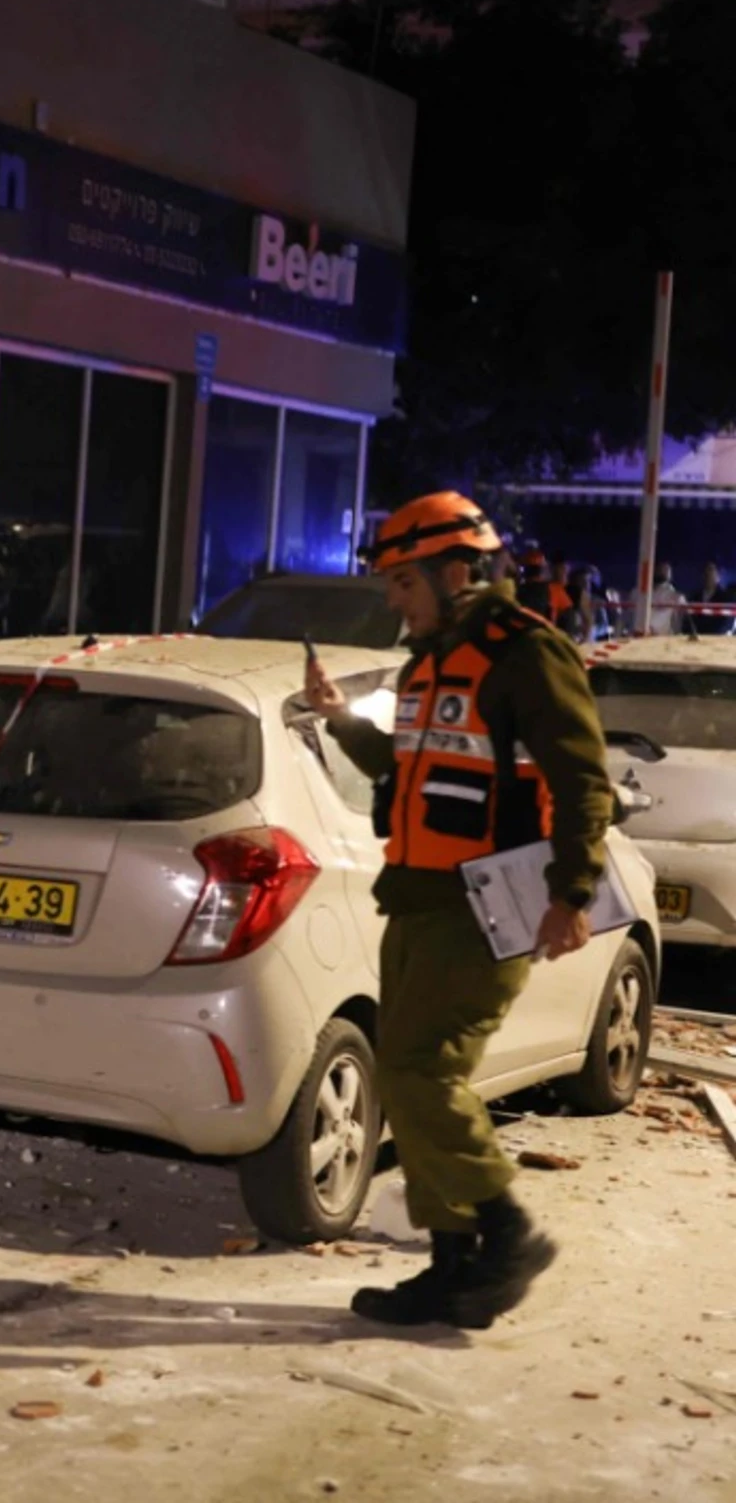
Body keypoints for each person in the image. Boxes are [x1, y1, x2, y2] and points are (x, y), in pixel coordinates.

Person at [303, 491, 611, 1330]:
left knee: (423, 1067)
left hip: (490, 900)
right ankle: (453, 1266)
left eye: (404, 584)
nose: (395, 602)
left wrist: (572, 893)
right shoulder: (426, 663)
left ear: (454, 572)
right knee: (413, 1077)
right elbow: (407, 771)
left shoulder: (525, 654)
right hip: (416, 894)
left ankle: (506, 1232)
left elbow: (586, 780)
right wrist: (336, 719)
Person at [649, 561, 686, 637]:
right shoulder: (638, 593)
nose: (661, 571)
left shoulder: (677, 597)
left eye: (665, 569)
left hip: (665, 639)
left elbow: (678, 623)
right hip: (642, 638)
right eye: (659, 569)